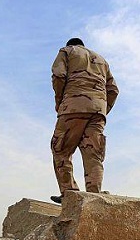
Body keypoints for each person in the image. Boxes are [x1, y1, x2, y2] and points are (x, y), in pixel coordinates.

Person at [50, 38, 119, 203]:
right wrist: (102, 109)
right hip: (97, 111)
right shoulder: (102, 60)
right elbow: (113, 90)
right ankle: (94, 196)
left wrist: (60, 102)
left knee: (61, 150)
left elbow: (59, 75)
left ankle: (69, 194)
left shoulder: (67, 51)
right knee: (93, 155)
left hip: (73, 106)